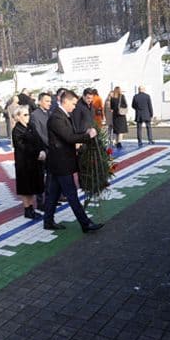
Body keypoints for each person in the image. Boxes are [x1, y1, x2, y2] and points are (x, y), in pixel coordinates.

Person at [43, 90, 103, 233]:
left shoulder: (63, 116)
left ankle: (48, 221)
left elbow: (71, 135)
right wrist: (88, 136)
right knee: (72, 195)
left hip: (60, 163)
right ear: (66, 101)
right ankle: (85, 224)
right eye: (74, 104)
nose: (75, 107)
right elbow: (69, 137)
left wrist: (83, 134)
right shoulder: (57, 118)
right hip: (60, 163)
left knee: (53, 194)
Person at [12, 106, 45, 219]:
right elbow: (23, 147)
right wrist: (37, 153)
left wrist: (42, 150)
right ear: (18, 117)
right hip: (24, 164)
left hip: (34, 163)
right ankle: (27, 210)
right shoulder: (17, 130)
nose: (28, 117)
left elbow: (38, 140)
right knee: (26, 188)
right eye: (25, 115)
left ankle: (31, 208)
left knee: (32, 187)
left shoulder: (31, 126)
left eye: (28, 114)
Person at [30, 92, 52, 210]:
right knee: (40, 177)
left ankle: (49, 199)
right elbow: (38, 133)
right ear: (39, 102)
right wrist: (49, 144)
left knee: (50, 177)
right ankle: (40, 202)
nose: (49, 103)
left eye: (50, 101)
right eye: (47, 101)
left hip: (50, 149)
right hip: (42, 150)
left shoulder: (48, 113)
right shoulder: (35, 115)